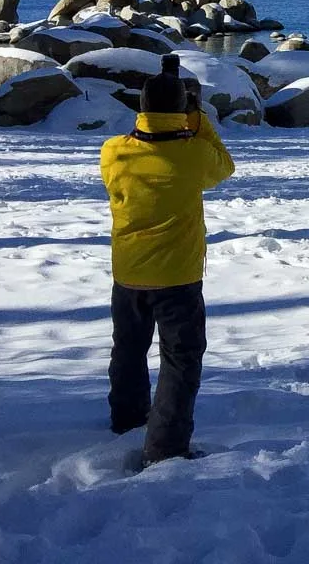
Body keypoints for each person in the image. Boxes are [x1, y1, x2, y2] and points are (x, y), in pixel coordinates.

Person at [100, 54, 235, 466]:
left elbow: (145, 138)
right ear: (181, 111)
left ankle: (126, 418)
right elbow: (223, 167)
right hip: (177, 277)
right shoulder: (192, 155)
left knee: (128, 349)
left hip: (129, 272)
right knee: (180, 360)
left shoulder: (113, 152)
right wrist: (197, 118)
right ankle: (166, 447)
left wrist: (169, 118)